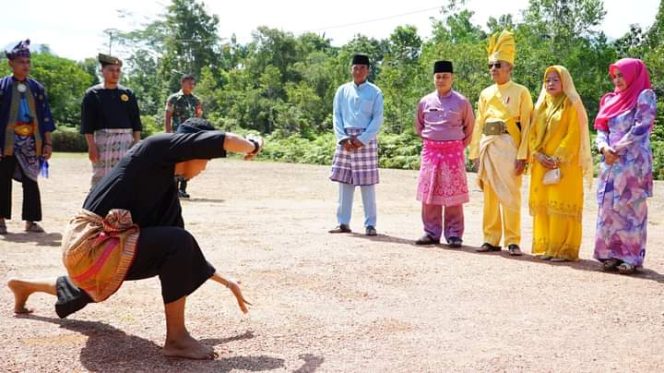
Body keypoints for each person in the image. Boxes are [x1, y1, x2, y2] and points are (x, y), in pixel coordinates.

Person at [7, 118, 262, 360]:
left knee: (169, 245)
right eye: (205, 159)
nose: (204, 167)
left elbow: (185, 257)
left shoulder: (166, 190)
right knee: (177, 242)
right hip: (89, 242)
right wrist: (253, 145)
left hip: (93, 256)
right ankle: (177, 340)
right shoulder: (153, 148)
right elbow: (224, 140)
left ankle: (25, 286)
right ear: (191, 150)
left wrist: (226, 281)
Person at [469, 30, 533, 256]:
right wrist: (475, 153)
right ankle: (490, 238)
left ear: (509, 67)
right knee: (490, 195)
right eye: (491, 66)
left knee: (511, 194)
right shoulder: (485, 93)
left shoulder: (521, 92)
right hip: (488, 146)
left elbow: (527, 126)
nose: (493, 69)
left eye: (498, 64)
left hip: (509, 147)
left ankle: (513, 240)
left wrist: (523, 155)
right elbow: (478, 123)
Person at [593, 58, 656, 275]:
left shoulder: (645, 96)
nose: (617, 80)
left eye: (622, 75)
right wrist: (603, 147)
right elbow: (601, 127)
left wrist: (616, 148)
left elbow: (642, 127)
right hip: (610, 160)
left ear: (633, 76)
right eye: (615, 76)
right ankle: (610, 254)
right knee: (609, 207)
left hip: (632, 162)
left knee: (631, 209)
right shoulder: (610, 100)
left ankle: (631, 257)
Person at [528, 66, 593, 262]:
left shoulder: (572, 104)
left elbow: (574, 134)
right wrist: (537, 155)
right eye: (547, 80)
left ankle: (564, 250)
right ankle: (549, 247)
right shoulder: (541, 105)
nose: (550, 84)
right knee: (546, 205)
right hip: (542, 163)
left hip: (565, 165)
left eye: (555, 80)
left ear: (565, 81)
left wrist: (557, 158)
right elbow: (531, 134)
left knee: (561, 204)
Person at [414, 60, 475, 247]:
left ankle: (454, 234)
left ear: (452, 78)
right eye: (438, 77)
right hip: (431, 153)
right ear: (434, 78)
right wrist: (434, 143)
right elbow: (419, 126)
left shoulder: (461, 102)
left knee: (453, 195)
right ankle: (431, 232)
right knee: (429, 193)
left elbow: (470, 128)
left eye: (445, 76)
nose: (441, 80)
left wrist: (454, 146)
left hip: (453, 153)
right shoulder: (425, 101)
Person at [0, 39, 55, 234]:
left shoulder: (37, 88)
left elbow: (46, 117)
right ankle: (1, 220)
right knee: (2, 179)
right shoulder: (2, 87)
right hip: (6, 142)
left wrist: (47, 142)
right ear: (11, 64)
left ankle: (31, 221)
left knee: (31, 180)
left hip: (32, 142)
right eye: (21, 62)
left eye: (28, 62)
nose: (26, 66)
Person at [329, 53, 384, 236]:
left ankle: (370, 224)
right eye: (355, 67)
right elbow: (337, 116)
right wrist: (343, 138)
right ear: (350, 69)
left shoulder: (375, 92)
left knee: (367, 185)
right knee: (344, 183)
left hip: (364, 141)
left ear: (368, 70)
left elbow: (377, 119)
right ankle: (343, 222)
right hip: (345, 139)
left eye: (362, 68)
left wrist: (362, 140)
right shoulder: (342, 90)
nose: (358, 71)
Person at [81, 53, 142, 188]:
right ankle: (97, 205)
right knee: (101, 176)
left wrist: (136, 143)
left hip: (125, 140)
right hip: (103, 139)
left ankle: (122, 206)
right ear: (102, 71)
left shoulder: (127, 93)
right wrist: (91, 146)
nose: (115, 74)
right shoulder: (92, 94)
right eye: (111, 70)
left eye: (118, 70)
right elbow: (87, 124)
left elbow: (136, 121)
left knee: (125, 175)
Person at [165, 74, 203, 198]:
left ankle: (183, 189)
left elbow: (198, 117)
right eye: (189, 83)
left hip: (191, 134)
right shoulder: (174, 98)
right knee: (176, 161)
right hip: (177, 134)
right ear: (182, 83)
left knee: (188, 161)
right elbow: (168, 116)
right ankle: (173, 189)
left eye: (193, 84)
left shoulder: (196, 100)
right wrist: (168, 132)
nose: (191, 86)